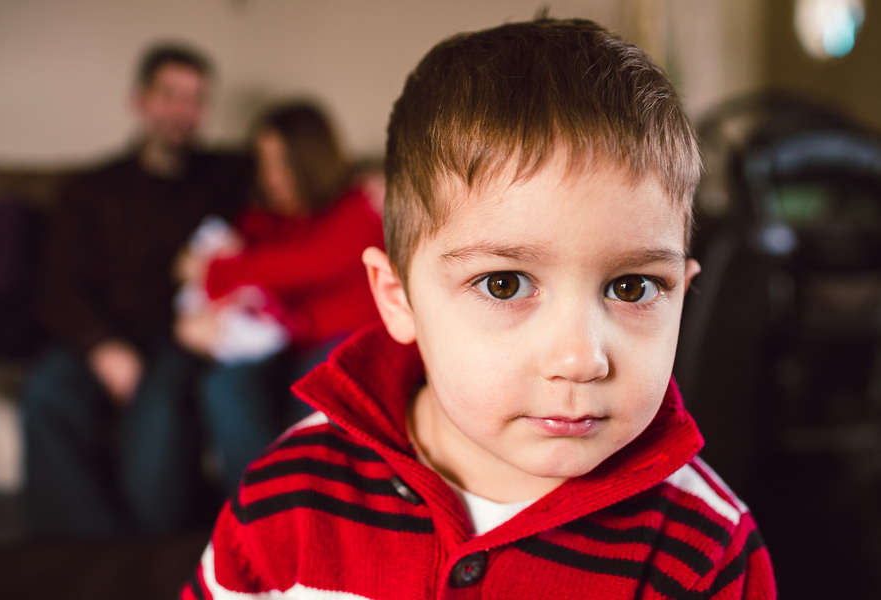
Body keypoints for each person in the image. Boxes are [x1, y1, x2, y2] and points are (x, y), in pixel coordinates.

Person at [183, 18, 776, 599]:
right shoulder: (291, 496)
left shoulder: (706, 552)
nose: (579, 358)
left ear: (683, 291)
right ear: (398, 298)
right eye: (503, 284)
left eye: (631, 288)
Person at [22, 42, 247, 537]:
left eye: (194, 99)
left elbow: (298, 179)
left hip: (175, 337)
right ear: (140, 101)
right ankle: (92, 551)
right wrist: (103, 347)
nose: (183, 111)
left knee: (161, 407)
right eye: (171, 95)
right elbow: (55, 284)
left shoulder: (225, 179)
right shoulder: (91, 188)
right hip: (95, 334)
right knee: (46, 394)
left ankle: (148, 549)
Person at [174, 100, 384, 495]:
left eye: (283, 163)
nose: (272, 177)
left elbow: (307, 264)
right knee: (223, 386)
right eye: (265, 163)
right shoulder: (260, 220)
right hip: (283, 344)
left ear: (312, 161)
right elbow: (237, 277)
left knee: (318, 381)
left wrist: (211, 268)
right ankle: (255, 511)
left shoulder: (360, 206)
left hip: (338, 342)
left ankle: (311, 508)